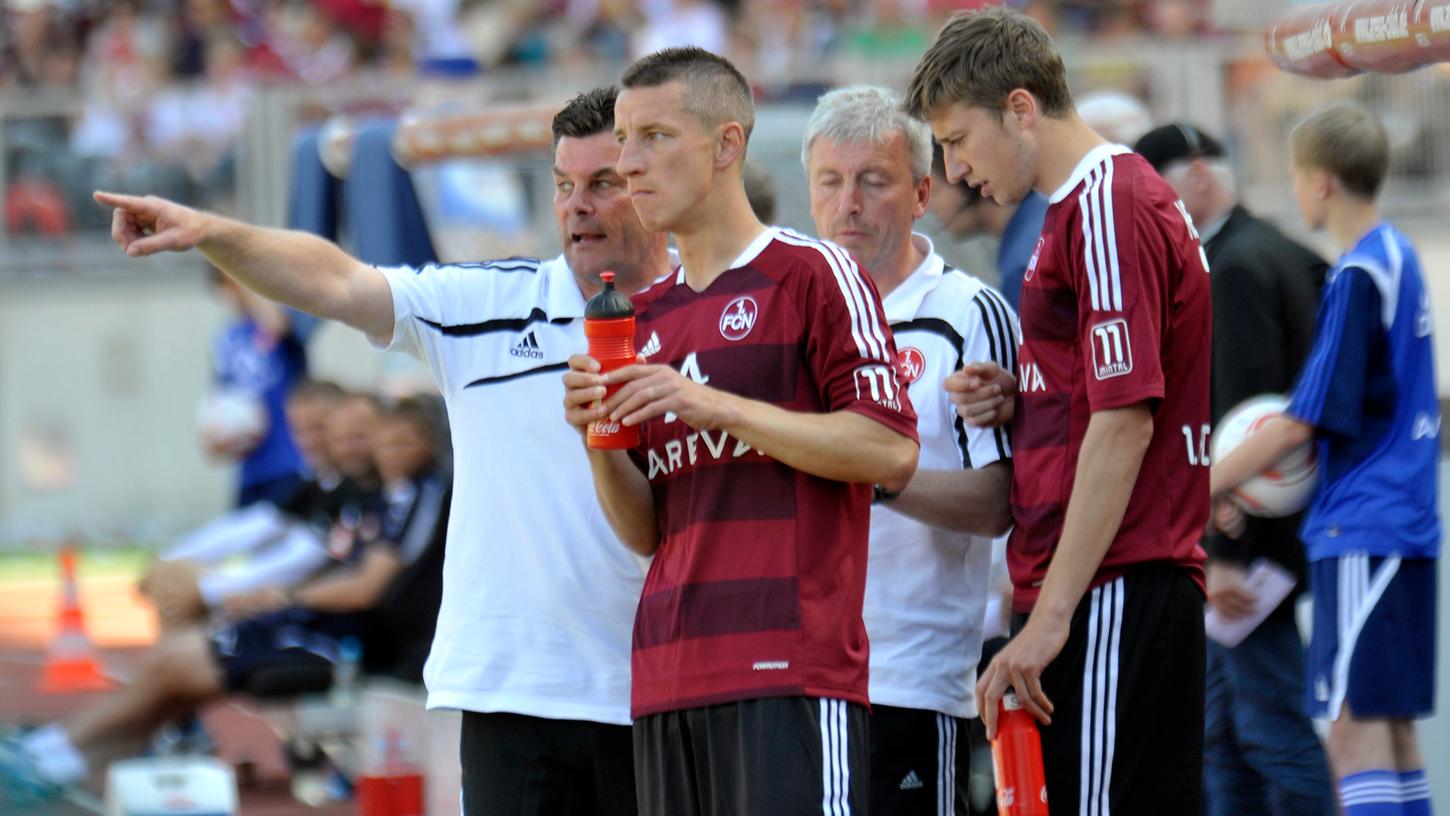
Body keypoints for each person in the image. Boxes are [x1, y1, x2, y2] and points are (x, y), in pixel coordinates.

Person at [85, 86, 674, 815]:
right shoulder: (485, 307)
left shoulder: (715, 310)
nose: (576, 205)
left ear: (653, 185)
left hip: (667, 690)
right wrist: (209, 230)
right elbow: (335, 279)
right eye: (562, 185)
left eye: (603, 184)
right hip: (512, 691)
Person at [563, 48, 920, 815]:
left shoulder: (814, 273)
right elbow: (645, 529)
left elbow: (889, 450)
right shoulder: (642, 314)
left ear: (727, 145)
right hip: (666, 675)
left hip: (788, 671)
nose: (628, 164)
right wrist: (599, 436)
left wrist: (715, 405)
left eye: (654, 136)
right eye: (624, 140)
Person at [906, 8, 1213, 813]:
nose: (955, 168)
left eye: (958, 138)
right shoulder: (1077, 211)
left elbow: (1125, 422)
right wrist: (1026, 396)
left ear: (1019, 108)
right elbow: (1109, 393)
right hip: (1101, 582)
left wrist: (1049, 617)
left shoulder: (1106, 202)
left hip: (1113, 583)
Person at [0, 397, 447, 804]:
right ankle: (62, 756)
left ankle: (56, 755)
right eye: (328, 434)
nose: (355, 447)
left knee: (174, 665)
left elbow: (359, 582)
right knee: (172, 670)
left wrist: (262, 594)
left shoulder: (407, 495)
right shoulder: (363, 492)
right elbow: (290, 541)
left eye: (375, 439)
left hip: (345, 640)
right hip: (319, 623)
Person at [1209, 103, 1440, 816]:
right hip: (1404, 521)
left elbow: (1297, 423)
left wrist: (1199, 487)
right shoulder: (1401, 256)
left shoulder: (1356, 278)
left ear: (1319, 183)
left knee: (1351, 737)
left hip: (1363, 525)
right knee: (1391, 732)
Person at [802, 83, 1016, 816]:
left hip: (906, 680)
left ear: (923, 192)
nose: (848, 204)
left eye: (874, 180)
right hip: (787, 679)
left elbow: (998, 503)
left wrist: (870, 471)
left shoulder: (964, 314)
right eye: (830, 181)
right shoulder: (783, 315)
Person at [1136, 121, 1334, 816]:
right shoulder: (1278, 251)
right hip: (1266, 527)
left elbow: (1245, 415)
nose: (1145, 209)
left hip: (1248, 545)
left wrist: (1224, 549)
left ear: (1196, 173)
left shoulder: (1237, 266)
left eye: (1153, 187)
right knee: (1221, 733)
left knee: (1265, 731)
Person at [141, 380, 349, 630]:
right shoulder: (313, 480)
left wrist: (209, 589)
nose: (308, 441)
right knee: (173, 580)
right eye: (298, 431)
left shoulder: (352, 487)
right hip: (292, 601)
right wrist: (170, 557)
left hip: (324, 617)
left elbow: (305, 556)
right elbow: (258, 523)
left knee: (190, 618)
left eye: (318, 428)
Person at [206, 272, 312, 508]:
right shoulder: (228, 338)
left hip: (291, 463)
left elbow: (279, 324)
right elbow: (220, 399)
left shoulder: (281, 319)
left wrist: (243, 271)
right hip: (251, 470)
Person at [927, 143, 1048, 313]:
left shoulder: (1020, 269)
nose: (929, 206)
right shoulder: (1046, 214)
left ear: (966, 181)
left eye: (935, 192)